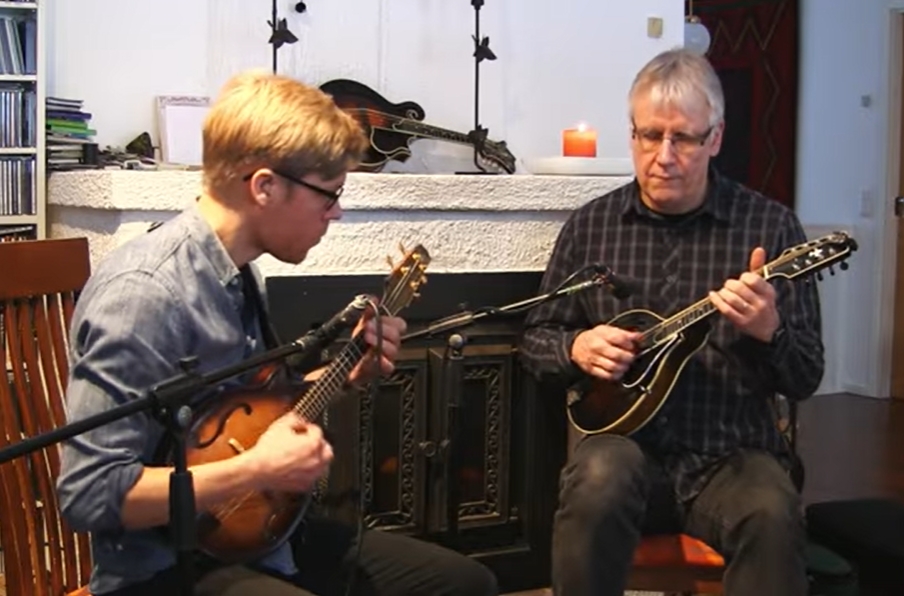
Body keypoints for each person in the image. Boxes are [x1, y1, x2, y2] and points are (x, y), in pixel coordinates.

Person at [56, 70, 499, 596]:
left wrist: (345, 374)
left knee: (464, 583)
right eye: (329, 194)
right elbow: (88, 495)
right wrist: (253, 471)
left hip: (262, 539)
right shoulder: (145, 295)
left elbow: (251, 412)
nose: (337, 211)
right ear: (264, 186)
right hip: (167, 569)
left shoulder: (239, 271)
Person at [519, 48, 823, 596]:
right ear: (632, 134)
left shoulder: (771, 228)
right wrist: (577, 348)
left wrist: (769, 332)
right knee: (594, 483)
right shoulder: (592, 227)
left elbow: (806, 375)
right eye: (647, 135)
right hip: (625, 446)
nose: (663, 155)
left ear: (715, 138)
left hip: (733, 452)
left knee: (772, 511)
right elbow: (536, 339)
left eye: (682, 138)